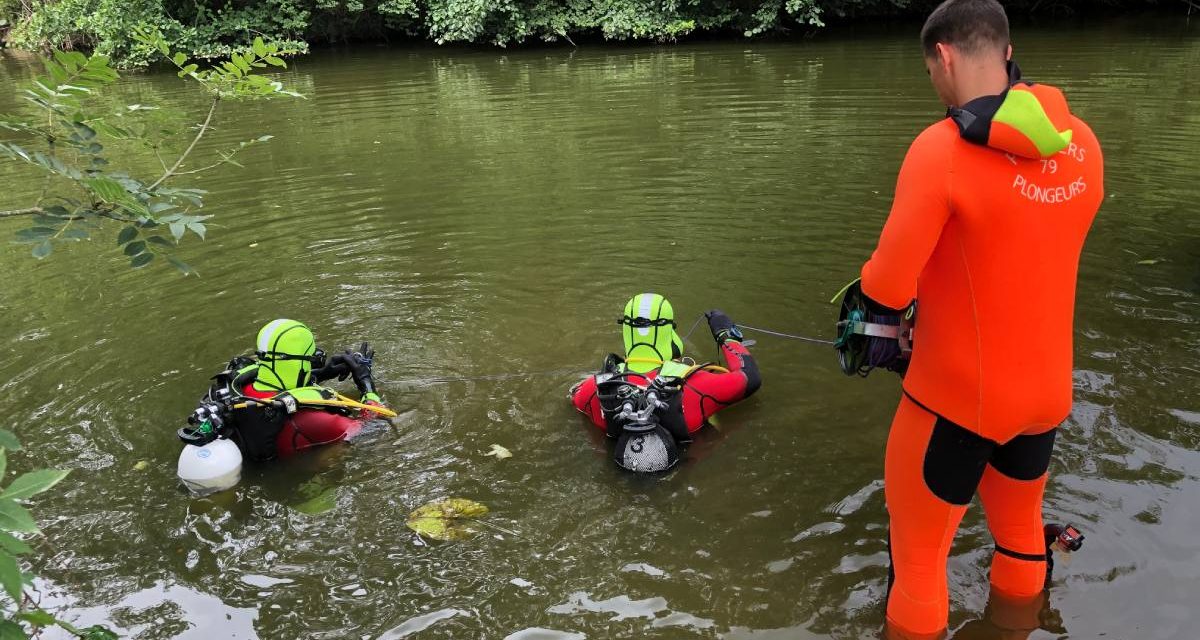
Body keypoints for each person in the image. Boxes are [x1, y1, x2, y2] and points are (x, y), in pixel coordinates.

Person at [856, 1, 1104, 636]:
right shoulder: (1083, 145)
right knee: (1021, 533)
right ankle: (1018, 624)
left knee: (918, 565)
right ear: (1007, 47)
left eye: (929, 69)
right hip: (1045, 397)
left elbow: (884, 287)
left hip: (955, 399)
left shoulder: (939, 151)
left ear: (943, 56)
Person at [569, 293, 761, 472]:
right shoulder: (698, 383)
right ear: (668, 331)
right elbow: (750, 377)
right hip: (687, 471)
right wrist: (726, 336)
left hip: (621, 467)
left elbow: (573, 398)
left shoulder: (595, 388)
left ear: (626, 331)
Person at [188, 319, 389, 462]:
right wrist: (366, 383)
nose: (313, 364)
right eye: (311, 359)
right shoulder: (316, 420)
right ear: (301, 362)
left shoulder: (242, 389)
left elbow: (282, 380)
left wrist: (324, 372)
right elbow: (376, 430)